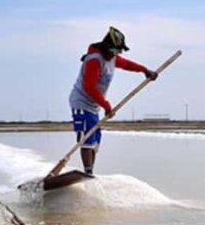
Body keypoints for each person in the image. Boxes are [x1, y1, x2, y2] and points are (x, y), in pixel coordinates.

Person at [68, 27, 158, 177]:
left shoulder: (112, 58)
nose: (116, 54)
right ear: (107, 47)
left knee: (96, 140)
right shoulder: (95, 60)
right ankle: (88, 173)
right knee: (87, 139)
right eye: (115, 51)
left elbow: (127, 64)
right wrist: (106, 105)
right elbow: (89, 87)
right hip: (82, 103)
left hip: (94, 106)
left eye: (118, 52)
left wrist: (145, 70)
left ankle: (90, 173)